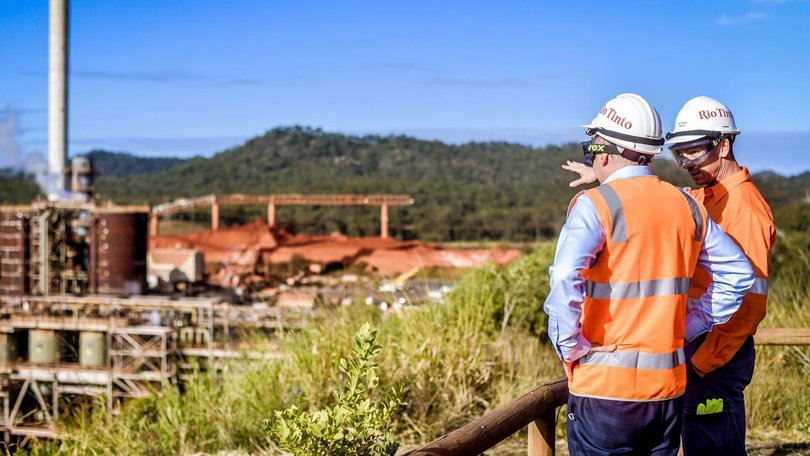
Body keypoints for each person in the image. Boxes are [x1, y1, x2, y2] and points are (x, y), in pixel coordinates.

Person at [562, 96, 776, 455]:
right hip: (691, 350)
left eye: (694, 151)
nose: (686, 163)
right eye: (679, 153)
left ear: (723, 145)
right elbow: (660, 200)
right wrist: (609, 176)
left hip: (715, 358)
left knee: (712, 450)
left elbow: (750, 304)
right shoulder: (707, 197)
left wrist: (701, 362)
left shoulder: (745, 209)